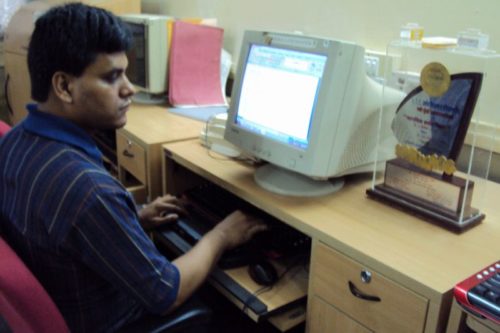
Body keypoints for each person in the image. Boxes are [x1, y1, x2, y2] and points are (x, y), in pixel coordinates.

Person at [0, 3, 266, 332]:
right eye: (112, 77)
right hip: (109, 321)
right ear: (64, 87)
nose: (129, 88)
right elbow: (165, 292)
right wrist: (223, 234)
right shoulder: (88, 190)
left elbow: (60, 228)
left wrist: (132, 218)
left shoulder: (13, 141)